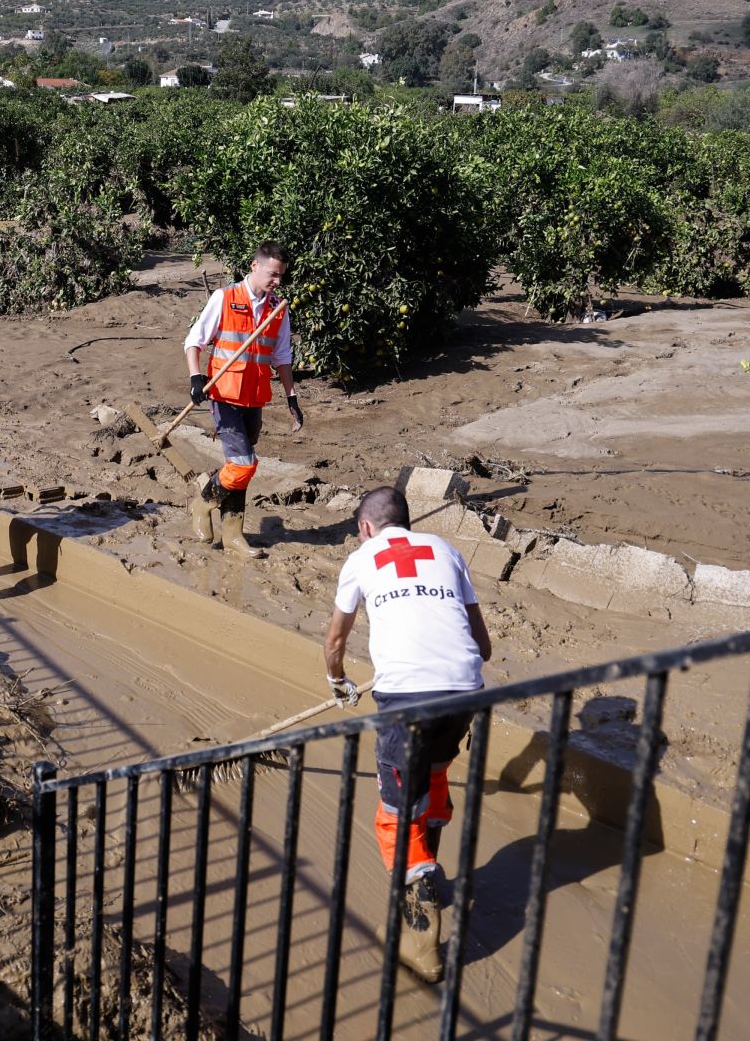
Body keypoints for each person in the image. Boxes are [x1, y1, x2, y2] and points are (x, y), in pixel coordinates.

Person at [324, 485, 492, 984]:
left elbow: (335, 640)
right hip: (463, 691)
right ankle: (425, 872)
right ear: (408, 522)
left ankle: (421, 938)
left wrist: (338, 682)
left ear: (365, 528)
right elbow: (481, 645)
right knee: (434, 775)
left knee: (392, 818)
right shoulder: (447, 550)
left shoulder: (361, 558)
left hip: (406, 701)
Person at [182, 241, 303, 555]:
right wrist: (196, 377)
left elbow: (282, 356)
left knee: (239, 468)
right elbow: (195, 341)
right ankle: (202, 503)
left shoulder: (278, 307)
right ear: (255, 266)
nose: (277, 281)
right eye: (272, 274)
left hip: (255, 397)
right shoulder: (225, 297)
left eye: (281, 276)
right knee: (243, 463)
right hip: (224, 394)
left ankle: (233, 535)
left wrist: (292, 398)